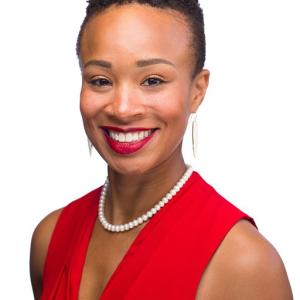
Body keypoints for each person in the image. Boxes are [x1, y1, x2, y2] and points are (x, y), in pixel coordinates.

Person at [30, 1, 293, 299]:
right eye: (100, 81)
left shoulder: (243, 263)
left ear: (197, 91)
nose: (123, 109)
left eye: (152, 80)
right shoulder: (50, 238)